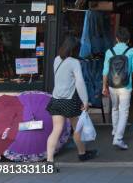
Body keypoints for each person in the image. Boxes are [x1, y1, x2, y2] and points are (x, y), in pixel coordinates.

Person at [46, 36, 97, 169]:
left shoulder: (56, 59)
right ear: (74, 50)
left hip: (56, 100)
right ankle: (82, 153)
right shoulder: (74, 62)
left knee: (56, 129)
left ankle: (49, 161)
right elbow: (79, 82)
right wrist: (85, 100)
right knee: (77, 129)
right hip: (70, 101)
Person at [101, 27, 133, 150]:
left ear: (116, 39)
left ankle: (114, 130)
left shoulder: (109, 51)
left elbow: (105, 71)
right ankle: (118, 138)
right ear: (128, 40)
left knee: (115, 108)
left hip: (112, 85)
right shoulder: (131, 51)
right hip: (125, 85)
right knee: (124, 111)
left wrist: (104, 86)